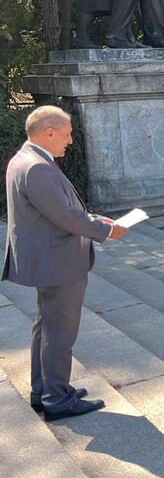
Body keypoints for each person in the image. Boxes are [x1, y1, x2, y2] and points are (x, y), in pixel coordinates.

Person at [3, 106, 127, 420]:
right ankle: (57, 399)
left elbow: (58, 209)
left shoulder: (25, 159)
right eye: (67, 133)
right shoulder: (38, 167)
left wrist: (96, 218)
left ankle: (43, 392)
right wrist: (107, 230)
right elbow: (65, 217)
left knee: (47, 327)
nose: (70, 140)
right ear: (49, 132)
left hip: (49, 259)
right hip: (58, 262)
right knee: (59, 332)